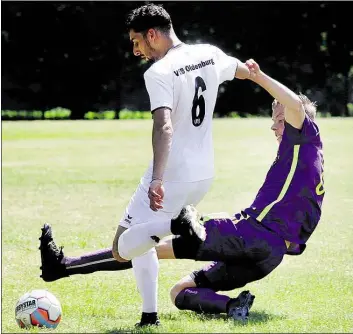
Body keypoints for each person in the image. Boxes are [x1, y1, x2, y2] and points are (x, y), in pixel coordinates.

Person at [39, 58, 324, 323]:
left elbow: (296, 106)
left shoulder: (305, 136)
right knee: (180, 290)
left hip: (250, 235)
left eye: (278, 119)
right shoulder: (308, 156)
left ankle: (65, 266)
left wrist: (258, 76)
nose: (273, 126)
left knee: (162, 238)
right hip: (268, 256)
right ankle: (232, 307)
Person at [97, 3, 251, 327]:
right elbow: (241, 69)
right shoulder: (208, 53)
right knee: (143, 239)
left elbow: (163, 126)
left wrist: (157, 179)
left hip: (174, 175)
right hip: (204, 176)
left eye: (137, 42)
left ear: (152, 34)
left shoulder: (159, 72)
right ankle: (149, 316)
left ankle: (177, 226)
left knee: (122, 246)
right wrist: (258, 75)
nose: (136, 50)